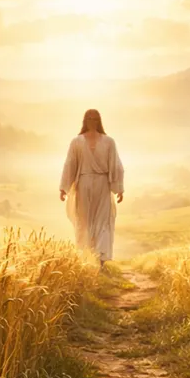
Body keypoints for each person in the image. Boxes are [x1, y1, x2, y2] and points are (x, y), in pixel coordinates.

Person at [59, 109, 125, 267]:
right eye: (89, 118)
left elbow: (115, 164)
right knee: (85, 221)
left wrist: (119, 188)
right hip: (84, 183)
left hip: (103, 184)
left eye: (95, 118)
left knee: (103, 221)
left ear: (99, 121)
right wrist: (64, 188)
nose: (92, 121)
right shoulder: (77, 141)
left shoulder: (109, 141)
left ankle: (101, 260)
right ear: (84, 120)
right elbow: (70, 164)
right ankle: (87, 259)